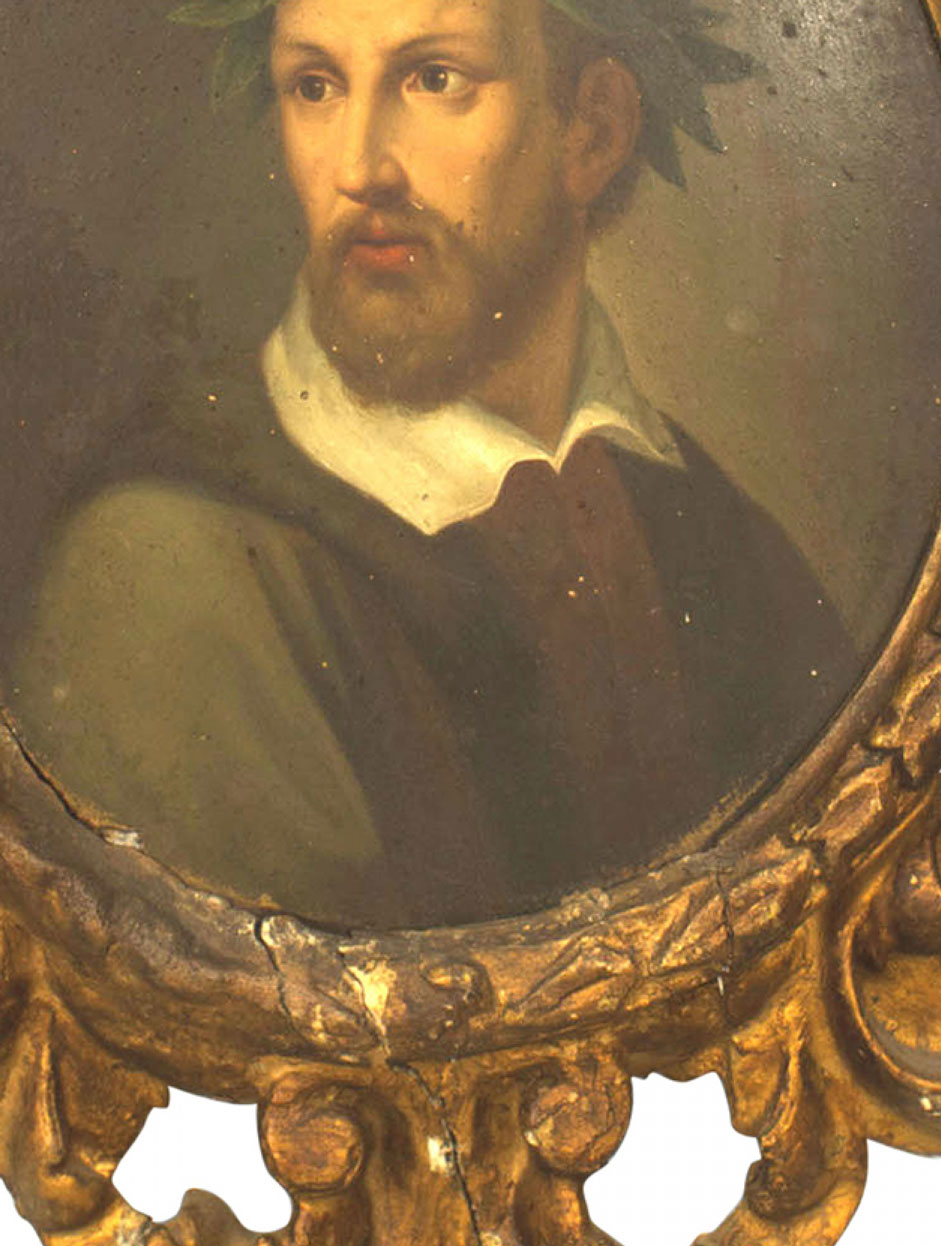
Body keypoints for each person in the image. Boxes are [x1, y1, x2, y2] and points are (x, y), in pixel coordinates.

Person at [3, 0, 854, 930]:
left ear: (594, 132)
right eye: (315, 86)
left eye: (433, 78)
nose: (361, 168)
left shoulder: (710, 532)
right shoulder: (174, 563)